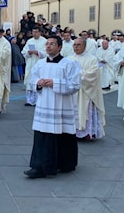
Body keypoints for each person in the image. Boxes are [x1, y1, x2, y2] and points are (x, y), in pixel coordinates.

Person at [24, 35, 81, 179]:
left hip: (62, 106)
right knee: (43, 135)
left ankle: (65, 163)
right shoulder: (40, 64)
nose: (48, 46)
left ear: (60, 47)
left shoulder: (68, 64)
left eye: (52, 44)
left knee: (63, 134)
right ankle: (40, 166)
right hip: (44, 105)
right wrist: (38, 83)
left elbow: (75, 85)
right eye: (47, 44)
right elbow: (32, 80)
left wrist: (54, 83)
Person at [68, 38, 106, 140]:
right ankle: (72, 132)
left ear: (84, 46)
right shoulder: (69, 58)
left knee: (84, 111)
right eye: (74, 45)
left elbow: (92, 74)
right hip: (72, 91)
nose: (76, 47)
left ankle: (86, 133)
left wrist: (77, 73)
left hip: (85, 91)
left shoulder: (92, 59)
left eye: (78, 45)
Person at [21, 26, 47, 106]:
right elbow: (24, 51)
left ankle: (37, 100)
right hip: (30, 63)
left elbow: (46, 53)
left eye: (36, 32)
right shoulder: (29, 41)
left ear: (40, 32)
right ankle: (29, 100)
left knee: (38, 81)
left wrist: (37, 52)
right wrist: (28, 53)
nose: (34, 34)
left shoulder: (44, 41)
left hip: (39, 63)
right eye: (33, 32)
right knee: (29, 81)